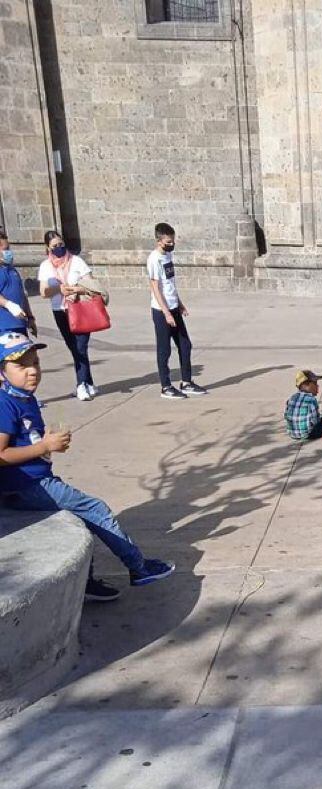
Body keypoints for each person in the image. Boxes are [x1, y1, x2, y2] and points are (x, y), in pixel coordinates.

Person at [0, 331, 174, 600]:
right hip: (26, 486)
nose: (32, 371)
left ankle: (87, 582)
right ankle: (139, 568)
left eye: (35, 363)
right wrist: (44, 447)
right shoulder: (5, 404)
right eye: (21, 365)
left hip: (35, 480)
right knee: (95, 508)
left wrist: (48, 447)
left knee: (81, 516)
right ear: (2, 372)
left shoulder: (25, 398)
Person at [147, 222, 208, 399]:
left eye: (172, 240)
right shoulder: (154, 259)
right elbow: (156, 288)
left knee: (185, 345)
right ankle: (166, 386)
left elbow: (170, 284)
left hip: (174, 307)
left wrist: (179, 303)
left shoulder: (167, 257)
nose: (171, 244)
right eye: (168, 241)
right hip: (161, 311)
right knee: (164, 349)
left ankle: (186, 382)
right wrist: (165, 312)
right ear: (159, 241)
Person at [37, 230, 98, 401]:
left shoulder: (77, 261)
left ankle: (81, 386)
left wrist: (77, 289)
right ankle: (89, 383)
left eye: (61, 244)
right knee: (74, 348)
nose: (59, 248)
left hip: (80, 308)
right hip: (60, 311)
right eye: (55, 246)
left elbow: (92, 284)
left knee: (81, 347)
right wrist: (59, 289)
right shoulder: (45, 266)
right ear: (48, 248)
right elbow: (43, 292)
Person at [0, 231, 37, 338]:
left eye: (9, 249)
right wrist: (8, 304)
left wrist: (30, 317)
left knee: (29, 354)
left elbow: (22, 295)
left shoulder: (12, 270)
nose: (9, 252)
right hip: (4, 326)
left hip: (20, 323)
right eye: (5, 250)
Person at [284, 369, 322, 441]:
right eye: (315, 383)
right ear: (305, 385)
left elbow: (286, 415)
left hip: (292, 434)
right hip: (307, 434)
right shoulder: (311, 400)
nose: (317, 386)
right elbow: (316, 421)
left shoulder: (292, 398)